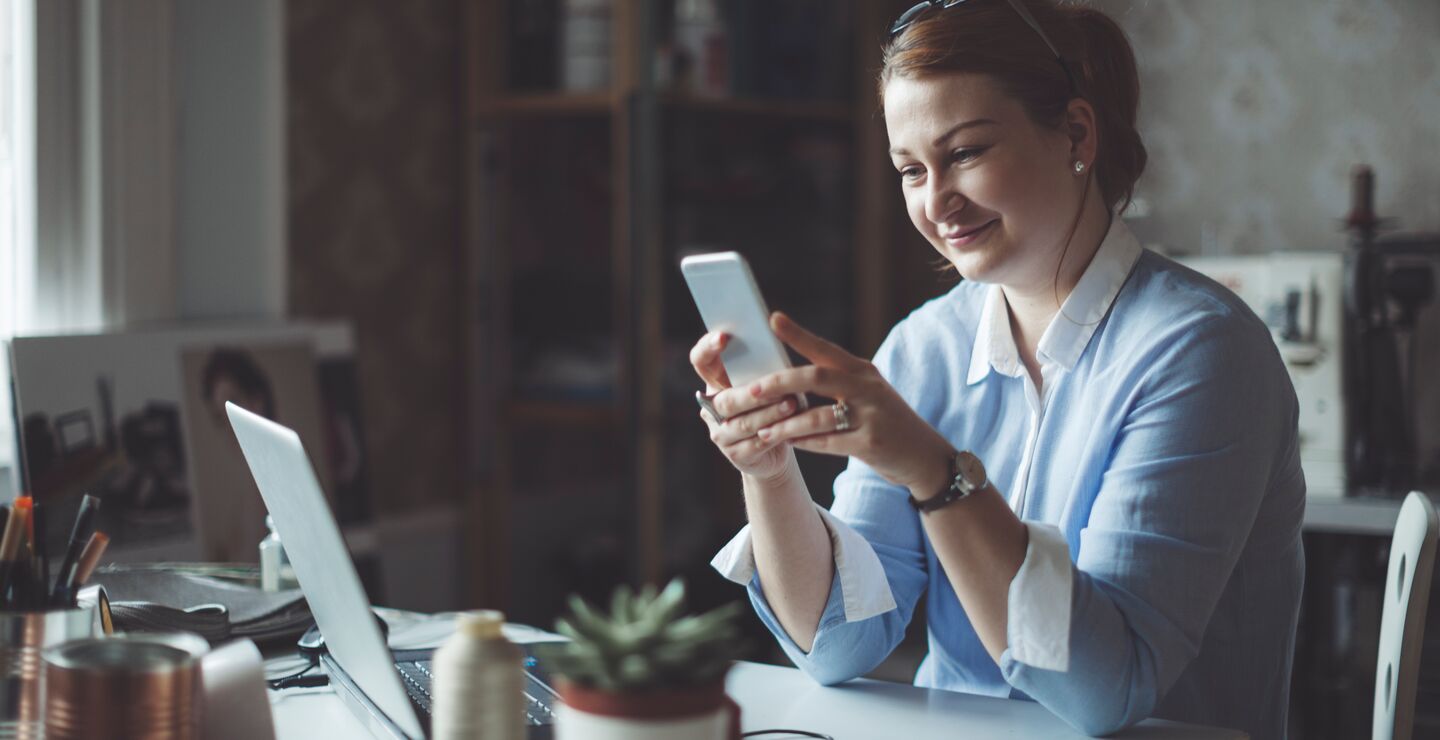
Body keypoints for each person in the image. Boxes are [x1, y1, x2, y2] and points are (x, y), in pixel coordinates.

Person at [689, 1, 1304, 738]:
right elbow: (838, 645)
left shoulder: (1199, 352)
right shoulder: (923, 349)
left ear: (1076, 133)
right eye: (911, 169)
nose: (936, 201)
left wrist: (933, 471)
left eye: (966, 153)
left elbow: (1107, 689)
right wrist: (770, 472)